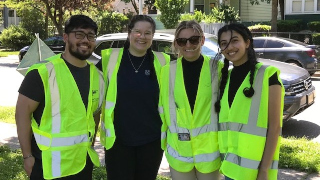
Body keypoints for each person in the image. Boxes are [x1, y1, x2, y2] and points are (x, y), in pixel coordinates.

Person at [15, 15, 104, 180]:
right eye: (79, 34)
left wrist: (90, 146)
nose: (86, 40)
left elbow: (94, 114)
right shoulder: (42, 72)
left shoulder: (98, 77)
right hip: (48, 166)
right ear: (65, 37)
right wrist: (27, 156)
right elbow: (22, 113)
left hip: (82, 164)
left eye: (90, 36)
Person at [96, 15, 170, 180]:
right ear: (129, 32)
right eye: (137, 31)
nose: (142, 37)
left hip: (151, 141)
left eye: (147, 33)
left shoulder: (163, 61)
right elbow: (92, 94)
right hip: (118, 141)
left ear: (152, 36)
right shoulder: (110, 58)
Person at [215, 23, 284, 180]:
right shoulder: (226, 78)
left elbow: (275, 127)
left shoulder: (268, 75)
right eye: (224, 43)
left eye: (234, 40)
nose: (229, 47)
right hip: (230, 169)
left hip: (257, 171)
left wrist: (264, 170)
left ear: (247, 42)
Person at [160, 20, 222, 180]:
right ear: (176, 43)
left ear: (202, 40)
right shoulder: (166, 72)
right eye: (182, 41)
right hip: (179, 151)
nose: (188, 44)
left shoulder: (217, 69)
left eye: (193, 40)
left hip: (210, 152)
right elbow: (162, 109)